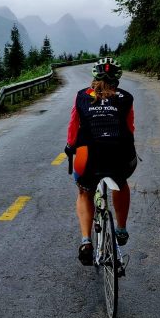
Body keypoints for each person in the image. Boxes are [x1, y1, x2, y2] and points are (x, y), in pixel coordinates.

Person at [64, 57, 137, 265]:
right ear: (118, 79)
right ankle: (121, 230)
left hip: (88, 157)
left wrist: (70, 148)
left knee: (84, 191)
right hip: (120, 155)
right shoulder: (126, 98)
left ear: (94, 77)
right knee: (121, 183)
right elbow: (130, 130)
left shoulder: (81, 96)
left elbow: (72, 131)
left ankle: (86, 241)